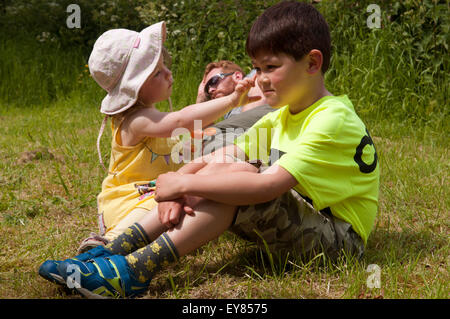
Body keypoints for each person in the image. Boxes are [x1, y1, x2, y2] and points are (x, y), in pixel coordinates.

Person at [39, 1, 379, 299]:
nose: (259, 79)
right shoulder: (282, 116)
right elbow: (221, 156)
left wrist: (186, 186)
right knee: (227, 168)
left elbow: (268, 187)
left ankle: (132, 272)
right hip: (308, 219)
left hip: (340, 242)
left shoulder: (331, 118)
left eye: (270, 67)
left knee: (238, 185)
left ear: (312, 63)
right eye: (256, 68)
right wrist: (176, 183)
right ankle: (114, 250)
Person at [38, 21, 256, 285]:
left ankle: (120, 252)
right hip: (130, 195)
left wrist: (201, 101)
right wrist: (232, 101)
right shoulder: (136, 120)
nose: (168, 74)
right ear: (135, 86)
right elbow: (180, 122)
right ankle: (108, 244)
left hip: (156, 189)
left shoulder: (153, 117)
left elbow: (191, 131)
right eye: (157, 73)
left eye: (166, 66)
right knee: (163, 206)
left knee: (178, 203)